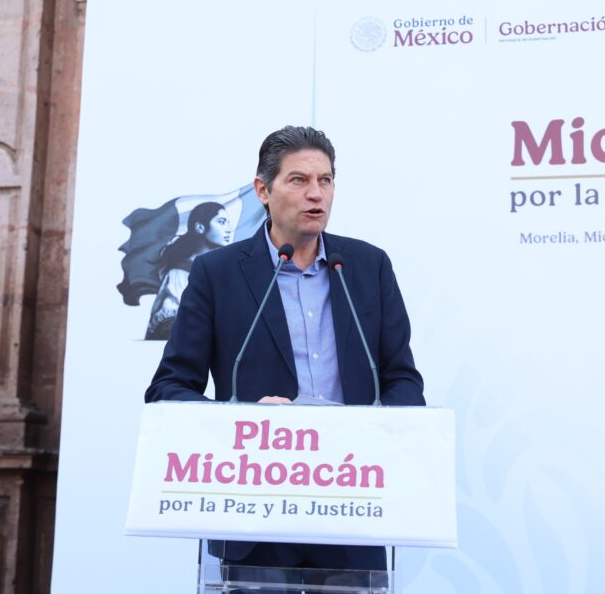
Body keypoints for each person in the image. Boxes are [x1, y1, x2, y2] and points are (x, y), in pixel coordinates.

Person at [145, 126, 424, 591]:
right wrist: (243, 419)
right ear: (263, 191)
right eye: (299, 180)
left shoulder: (368, 266)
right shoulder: (217, 273)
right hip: (255, 520)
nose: (316, 193)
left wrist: (381, 433)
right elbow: (169, 388)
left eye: (325, 180)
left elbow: (402, 380)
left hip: (353, 512)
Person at [145, 202, 232, 339]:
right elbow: (169, 323)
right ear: (200, 227)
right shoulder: (180, 273)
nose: (228, 229)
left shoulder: (224, 269)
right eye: (221, 222)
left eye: (228, 223)